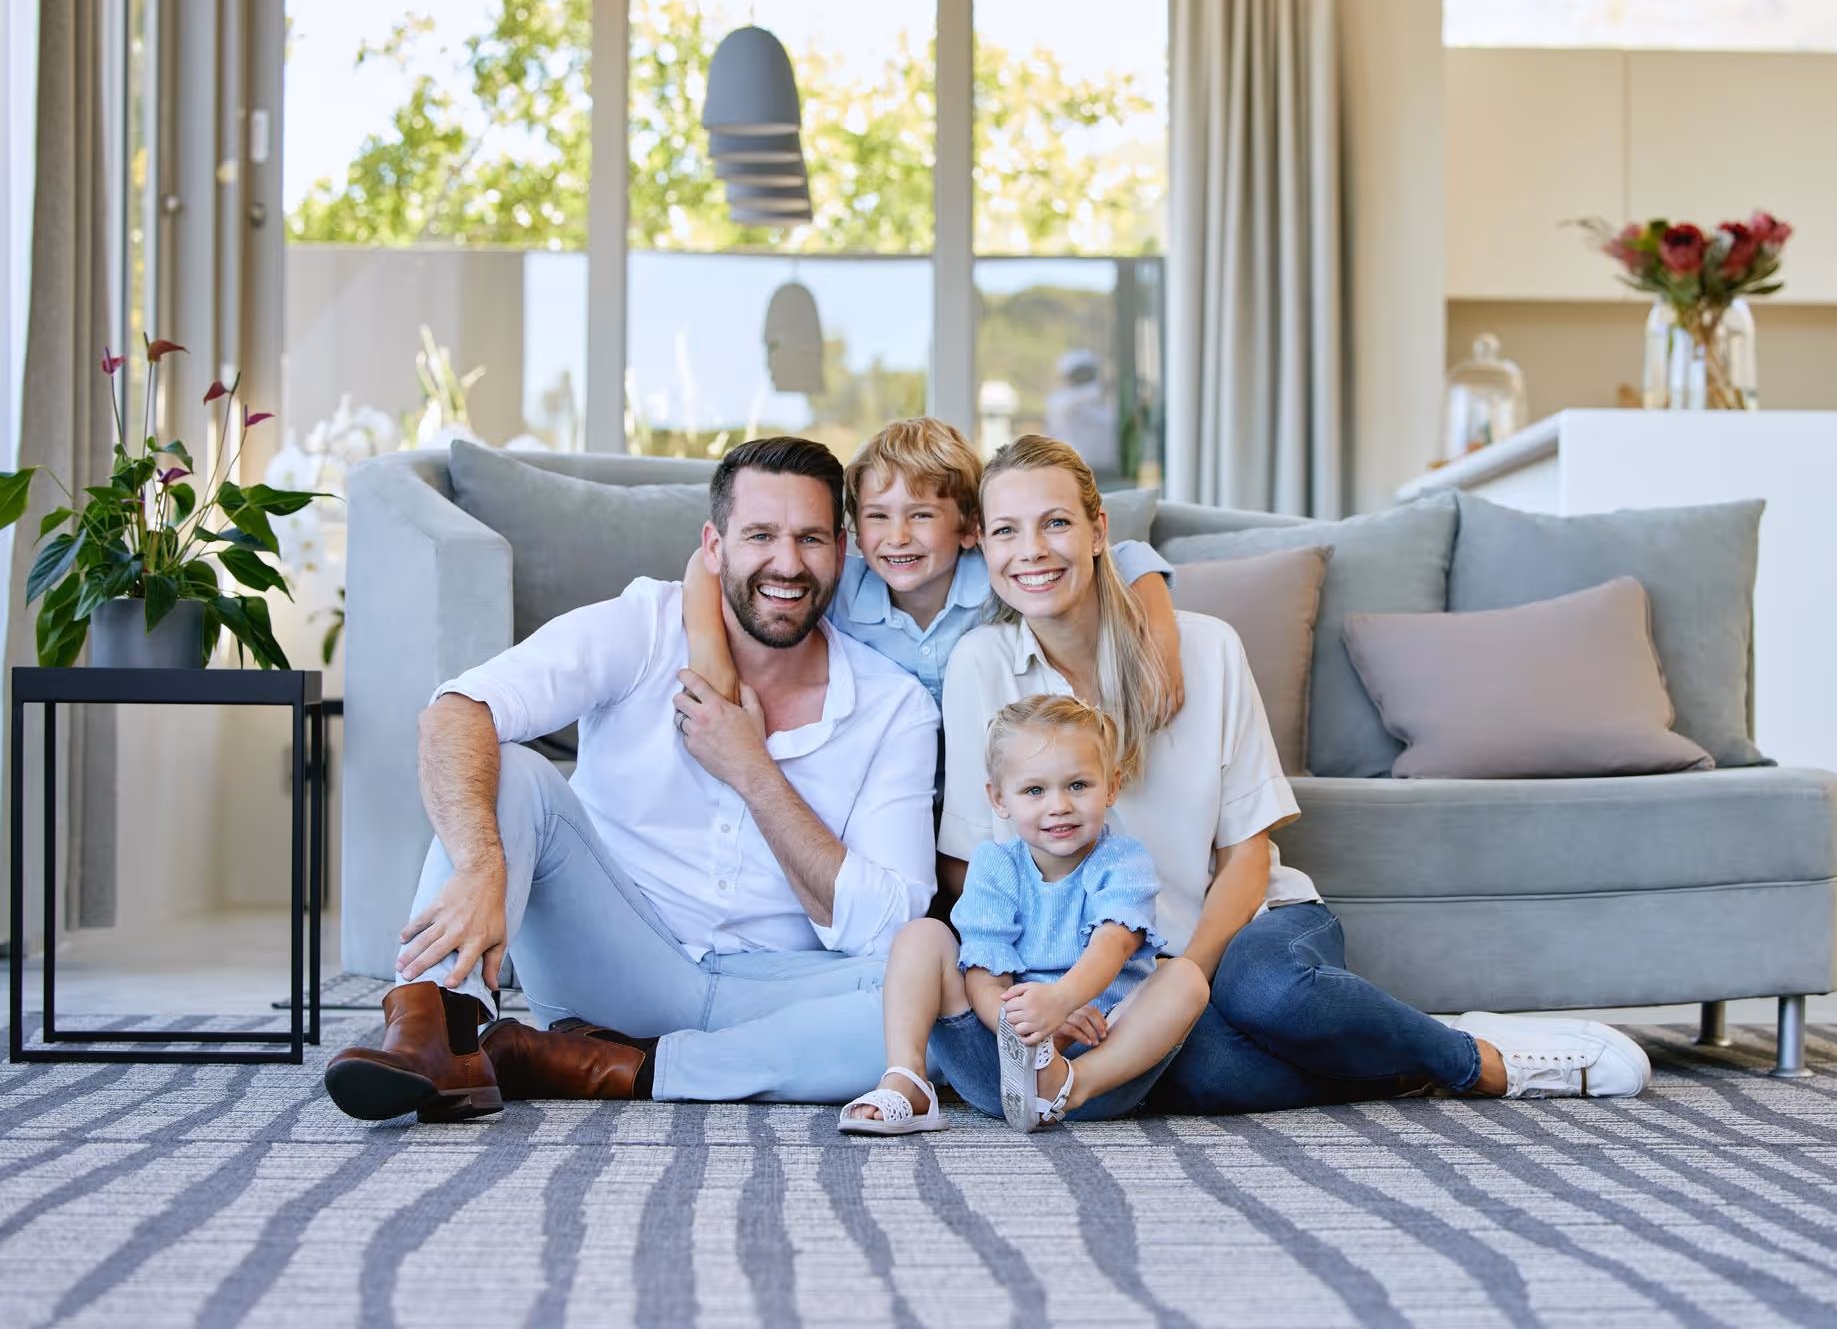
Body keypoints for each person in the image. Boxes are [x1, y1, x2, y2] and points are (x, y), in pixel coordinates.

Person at [936, 435, 1653, 1113]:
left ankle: (1479, 1060)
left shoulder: (1207, 648)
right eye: (1006, 531)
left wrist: (1190, 972)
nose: (1031, 551)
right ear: (983, 545)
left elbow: (1246, 854)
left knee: (1270, 997)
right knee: (1193, 1069)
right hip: (1105, 977)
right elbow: (973, 866)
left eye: (1055, 523)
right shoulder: (979, 665)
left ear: (1099, 531)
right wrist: (1056, 992)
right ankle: (1382, 1045)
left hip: (1247, 929)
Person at [324, 437, 942, 1124]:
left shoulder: (895, 706)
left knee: (941, 991)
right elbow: (455, 714)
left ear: (843, 549)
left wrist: (753, 770)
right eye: (760, 535)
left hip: (777, 985)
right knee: (512, 770)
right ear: (714, 547)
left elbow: (891, 924)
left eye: (810, 540)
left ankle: (612, 1067)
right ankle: (436, 1031)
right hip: (613, 963)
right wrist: (480, 862)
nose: (787, 563)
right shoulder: (644, 625)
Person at [838, 695, 1209, 1135]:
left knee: (1185, 977)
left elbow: (1116, 942)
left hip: (1101, 1063)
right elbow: (983, 973)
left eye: (1078, 785)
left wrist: (1063, 1000)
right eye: (1035, 790)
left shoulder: (1122, 861)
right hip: (996, 1064)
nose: (1059, 805)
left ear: (1111, 786)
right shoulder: (996, 866)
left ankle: (1067, 1086)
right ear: (999, 799)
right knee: (923, 935)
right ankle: (907, 1079)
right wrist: (1029, 1033)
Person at [683, 416, 1183, 714]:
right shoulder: (840, 587)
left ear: (970, 529)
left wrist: (1160, 639)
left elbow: (1126, 558)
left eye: (921, 515)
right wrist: (710, 653)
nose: (898, 537)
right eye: (878, 517)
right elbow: (706, 566)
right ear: (854, 531)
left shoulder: (997, 578)